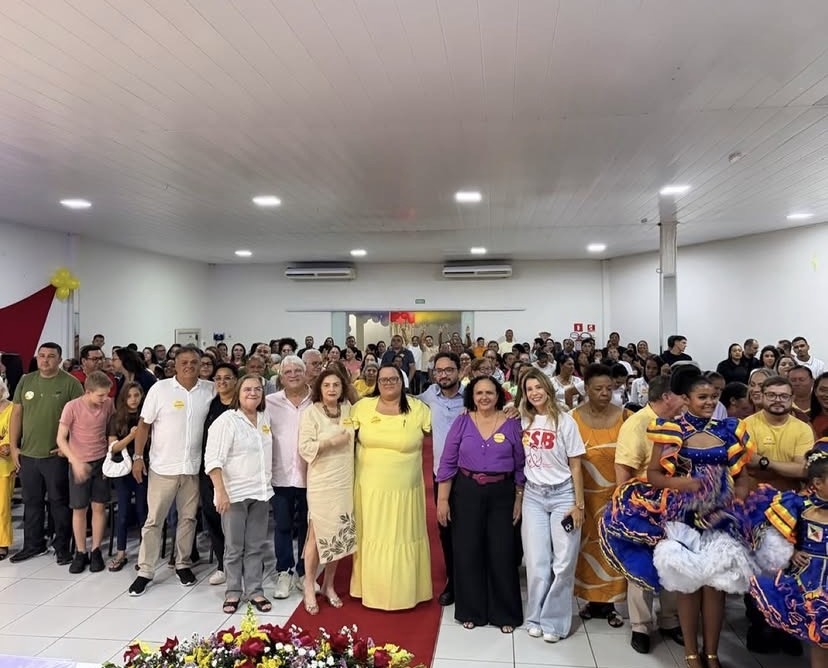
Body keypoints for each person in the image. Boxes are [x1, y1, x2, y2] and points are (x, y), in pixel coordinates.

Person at [599, 366, 760, 668]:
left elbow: (741, 476)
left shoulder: (729, 430)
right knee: (688, 586)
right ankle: (690, 652)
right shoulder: (670, 430)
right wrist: (680, 484)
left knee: (715, 587)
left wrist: (738, 498)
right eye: (702, 397)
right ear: (686, 399)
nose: (710, 402)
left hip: (720, 518)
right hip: (683, 517)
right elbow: (654, 474)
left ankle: (711, 653)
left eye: (713, 396)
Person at [436, 375, 524, 633]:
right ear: (472, 397)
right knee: (468, 550)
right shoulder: (462, 421)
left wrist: (519, 497)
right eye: (479, 393)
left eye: (489, 392)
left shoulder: (511, 423)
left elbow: (521, 464)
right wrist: (443, 500)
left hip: (502, 493)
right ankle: (470, 610)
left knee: (502, 551)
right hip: (467, 491)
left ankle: (504, 613)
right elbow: (447, 462)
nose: (484, 397)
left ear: (498, 395)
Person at [128, 345, 215, 596]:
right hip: (163, 467)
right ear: (174, 365)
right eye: (183, 362)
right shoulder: (160, 389)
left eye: (194, 362)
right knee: (154, 520)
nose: (189, 366)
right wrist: (138, 457)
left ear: (201, 365)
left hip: (193, 468)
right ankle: (146, 570)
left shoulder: (209, 390)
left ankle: (183, 563)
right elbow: (144, 426)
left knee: (188, 519)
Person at [612, 375, 685, 654]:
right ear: (667, 396)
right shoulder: (637, 423)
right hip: (642, 502)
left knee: (673, 561)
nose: (686, 400)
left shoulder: (680, 422)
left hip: (675, 503)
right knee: (641, 564)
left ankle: (669, 619)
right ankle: (641, 625)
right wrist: (625, 506)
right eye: (682, 395)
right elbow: (624, 467)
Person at [350, 364, 432, 610]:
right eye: (383, 379)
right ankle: (370, 590)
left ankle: (406, 592)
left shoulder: (418, 409)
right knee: (372, 536)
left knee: (403, 536)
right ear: (376, 382)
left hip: (405, 491)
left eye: (393, 379)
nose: (387, 383)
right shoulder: (362, 407)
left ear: (402, 381)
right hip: (369, 489)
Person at [517, 369, 585, 643]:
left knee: (564, 562)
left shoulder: (566, 421)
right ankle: (535, 617)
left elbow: (576, 465)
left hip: (563, 496)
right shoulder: (523, 419)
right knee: (536, 561)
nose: (534, 393)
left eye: (538, 387)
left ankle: (554, 622)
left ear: (548, 387)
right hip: (533, 496)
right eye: (529, 389)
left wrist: (579, 504)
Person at [748, 442, 828, 668]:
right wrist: (791, 552)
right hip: (811, 581)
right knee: (820, 638)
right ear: (817, 483)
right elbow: (767, 533)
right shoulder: (798, 505)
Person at [205, 375, 274, 614]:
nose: (253, 393)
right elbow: (213, 460)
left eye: (257, 389)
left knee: (256, 546)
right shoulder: (227, 421)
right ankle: (233, 591)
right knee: (234, 547)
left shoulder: (264, 418)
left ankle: (255, 590)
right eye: (247, 389)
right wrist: (220, 491)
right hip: (233, 495)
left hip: (260, 493)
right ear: (238, 392)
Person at [9, 342, 83, 564]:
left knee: (59, 502)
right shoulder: (26, 380)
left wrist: (67, 446)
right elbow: (16, 415)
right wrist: (13, 446)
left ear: (59, 359)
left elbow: (81, 418)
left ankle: (62, 547)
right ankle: (34, 545)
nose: (45, 360)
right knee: (31, 502)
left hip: (55, 455)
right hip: (28, 454)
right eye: (41, 355)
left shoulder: (70, 383)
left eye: (51, 356)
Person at [570, 364, 629, 626]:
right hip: (583, 495)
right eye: (598, 389)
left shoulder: (625, 417)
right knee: (587, 549)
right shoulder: (572, 418)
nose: (605, 393)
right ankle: (590, 601)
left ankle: (610, 604)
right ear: (586, 389)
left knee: (611, 547)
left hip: (615, 494)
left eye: (609, 388)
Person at [298, 369, 356, 615]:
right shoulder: (311, 413)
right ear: (319, 389)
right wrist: (330, 443)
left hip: (345, 480)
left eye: (336, 385)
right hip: (322, 482)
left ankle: (328, 585)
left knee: (339, 533)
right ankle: (309, 585)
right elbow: (304, 447)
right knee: (316, 533)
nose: (332, 389)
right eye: (327, 385)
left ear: (342, 388)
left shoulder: (349, 410)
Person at [418, 352, 465, 606]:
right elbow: (405, 404)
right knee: (445, 528)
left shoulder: (472, 396)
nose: (444, 375)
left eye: (449, 370)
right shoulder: (429, 395)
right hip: (441, 474)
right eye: (439, 370)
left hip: (470, 475)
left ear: (459, 371)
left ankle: (473, 579)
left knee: (469, 530)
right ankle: (453, 580)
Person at [56, 371, 115, 574]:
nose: (104, 398)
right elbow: (60, 439)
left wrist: (110, 457)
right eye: (100, 395)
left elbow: (111, 430)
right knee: (79, 508)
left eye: (106, 394)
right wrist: (75, 461)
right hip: (79, 461)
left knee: (99, 506)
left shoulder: (108, 404)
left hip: (101, 461)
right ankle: (81, 551)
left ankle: (96, 550)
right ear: (88, 392)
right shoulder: (72, 407)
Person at [266, 354, 312, 599]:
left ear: (306, 374)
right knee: (282, 525)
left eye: (297, 370)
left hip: (310, 475)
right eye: (288, 372)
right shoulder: (269, 402)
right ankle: (284, 571)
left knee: (307, 525)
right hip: (280, 474)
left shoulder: (317, 400)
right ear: (281, 377)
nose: (293, 375)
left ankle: (305, 572)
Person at [199, 363, 239, 586]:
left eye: (227, 378)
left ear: (236, 380)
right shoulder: (210, 405)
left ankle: (241, 562)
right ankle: (223, 565)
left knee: (236, 521)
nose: (222, 382)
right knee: (213, 518)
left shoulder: (242, 405)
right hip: (210, 470)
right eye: (218, 378)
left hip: (237, 472)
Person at [106, 382, 148, 571]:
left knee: (142, 511)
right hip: (122, 469)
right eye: (129, 396)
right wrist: (131, 436)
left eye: (136, 395)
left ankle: (144, 554)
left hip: (143, 467)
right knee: (122, 513)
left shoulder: (147, 417)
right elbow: (113, 447)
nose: (133, 399)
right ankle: (121, 552)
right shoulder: (116, 418)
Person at [0, 377, 14, 560]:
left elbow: (8, 445)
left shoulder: (12, 409)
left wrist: (6, 446)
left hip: (4, 466)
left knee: (2, 507)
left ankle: (2, 543)